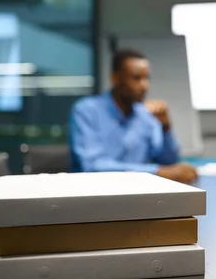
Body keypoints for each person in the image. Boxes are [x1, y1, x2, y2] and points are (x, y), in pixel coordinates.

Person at [70, 48, 198, 183]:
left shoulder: (144, 114)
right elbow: (93, 166)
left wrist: (166, 128)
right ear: (115, 79)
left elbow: (168, 163)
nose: (145, 86)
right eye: (136, 78)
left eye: (147, 78)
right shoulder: (86, 111)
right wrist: (156, 172)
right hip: (95, 194)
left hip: (138, 195)